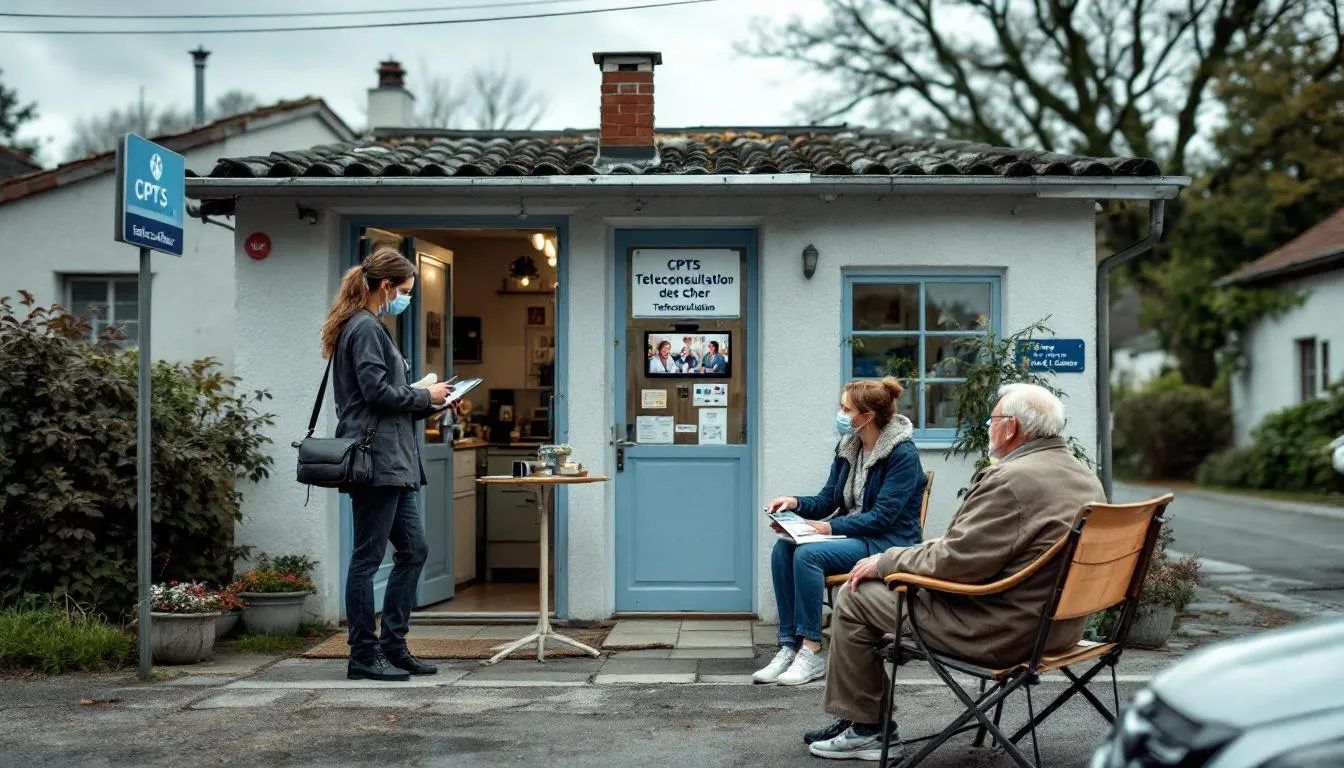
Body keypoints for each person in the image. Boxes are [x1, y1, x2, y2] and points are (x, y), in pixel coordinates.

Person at [803, 383, 1105, 760]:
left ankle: (868, 727)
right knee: (876, 591)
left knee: (854, 596)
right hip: (1062, 626)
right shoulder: (1084, 477)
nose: (987, 427)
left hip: (1001, 630)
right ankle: (861, 718)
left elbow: (957, 562)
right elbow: (970, 551)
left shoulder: (1011, 479)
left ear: (1010, 428)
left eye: (991, 419)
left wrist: (886, 562)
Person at [320, 246, 455, 682]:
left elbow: (382, 399)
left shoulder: (369, 326)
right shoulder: (364, 328)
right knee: (368, 557)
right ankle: (363, 652)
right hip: (376, 461)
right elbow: (377, 394)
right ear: (385, 287)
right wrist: (424, 396)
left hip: (393, 459)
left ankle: (394, 646)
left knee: (414, 550)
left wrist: (431, 401)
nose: (406, 298)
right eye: (406, 291)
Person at [756, 377, 926, 687]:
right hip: (856, 536)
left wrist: (825, 527)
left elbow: (882, 518)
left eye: (846, 408)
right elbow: (829, 499)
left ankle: (811, 651)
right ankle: (788, 645)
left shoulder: (902, 455)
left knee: (808, 555)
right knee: (783, 548)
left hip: (888, 542)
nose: (840, 413)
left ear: (867, 416)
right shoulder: (850, 446)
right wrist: (793, 503)